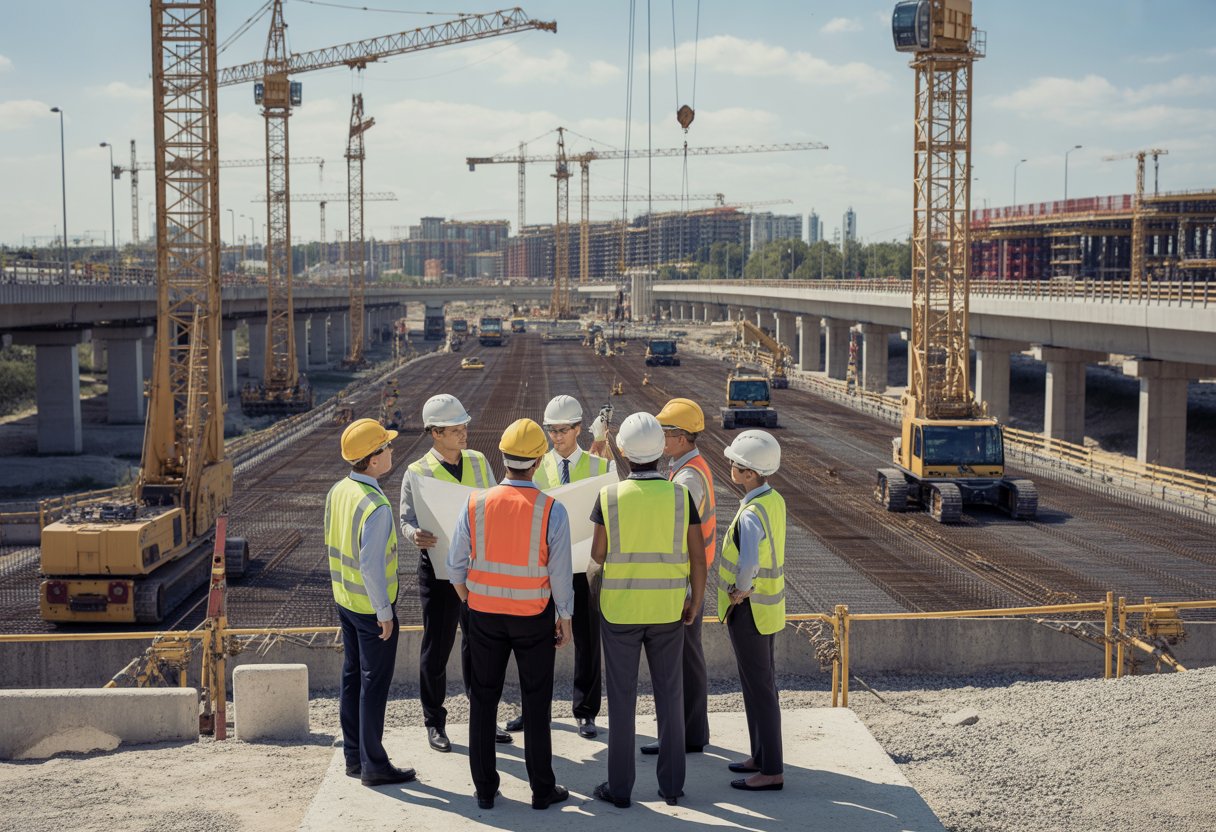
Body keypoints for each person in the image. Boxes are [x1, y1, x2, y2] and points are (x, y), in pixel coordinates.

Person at [448, 419, 575, 811]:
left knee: (483, 702)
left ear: (502, 458)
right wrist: (564, 617)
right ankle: (541, 790)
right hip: (533, 618)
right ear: (538, 461)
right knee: (536, 704)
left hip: (484, 617)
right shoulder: (551, 509)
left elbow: (455, 567)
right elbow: (559, 573)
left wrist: (471, 599)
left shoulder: (475, 503)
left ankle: (485, 790)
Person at [590, 412, 707, 809]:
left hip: (620, 612)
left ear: (622, 450)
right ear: (661, 451)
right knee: (670, 697)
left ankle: (619, 789)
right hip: (668, 611)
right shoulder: (681, 496)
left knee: (621, 701)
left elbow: (598, 554)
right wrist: (695, 600)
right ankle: (672, 786)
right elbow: (698, 558)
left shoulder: (608, 497)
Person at [398, 393, 512, 751]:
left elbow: (496, 499)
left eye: (464, 425)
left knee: (480, 647)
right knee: (437, 647)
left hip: (478, 569)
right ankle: (435, 722)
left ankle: (483, 718)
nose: (464, 432)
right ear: (435, 433)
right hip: (439, 572)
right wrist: (413, 534)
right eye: (456, 428)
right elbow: (406, 518)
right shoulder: (416, 473)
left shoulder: (478, 462)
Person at [504, 394, 613, 739]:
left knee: (587, 640)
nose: (556, 437)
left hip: (584, 567)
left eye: (563, 430)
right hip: (543, 567)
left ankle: (586, 712)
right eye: (552, 430)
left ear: (579, 428)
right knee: (534, 642)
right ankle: (534, 709)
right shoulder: (537, 467)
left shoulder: (600, 468)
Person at [325, 418, 415, 787]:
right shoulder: (375, 505)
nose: (392, 449)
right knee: (373, 685)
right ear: (373, 459)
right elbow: (371, 566)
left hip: (344, 601)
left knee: (352, 678)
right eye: (386, 446)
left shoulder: (339, 490)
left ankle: (354, 757)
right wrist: (385, 614)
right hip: (370, 608)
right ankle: (374, 765)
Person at [640, 397, 716, 757]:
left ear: (683, 437)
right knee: (688, 659)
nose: (660, 438)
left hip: (684, 583)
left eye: (665, 432)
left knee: (679, 663)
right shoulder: (687, 468)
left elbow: (680, 537)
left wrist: (688, 592)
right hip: (690, 580)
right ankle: (692, 734)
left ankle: (683, 736)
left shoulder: (686, 478)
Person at [719, 430, 786, 792]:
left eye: (735, 463)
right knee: (759, 684)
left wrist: (738, 593)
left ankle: (771, 769)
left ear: (748, 473)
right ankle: (760, 756)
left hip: (749, 610)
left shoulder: (749, 514)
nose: (730, 466)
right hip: (769, 608)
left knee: (759, 688)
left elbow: (749, 563)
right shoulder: (773, 500)